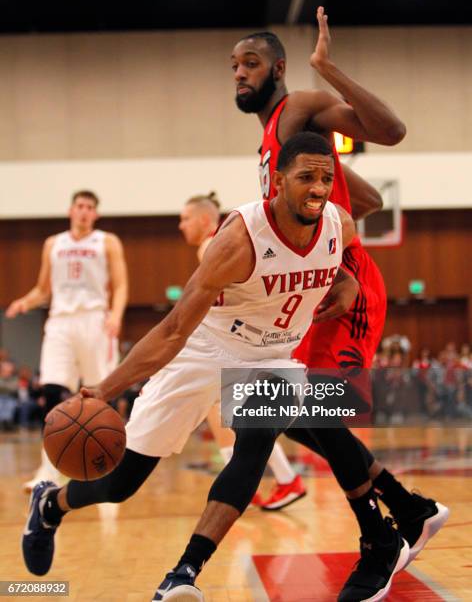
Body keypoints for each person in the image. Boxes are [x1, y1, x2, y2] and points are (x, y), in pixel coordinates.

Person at [22, 133, 366, 601]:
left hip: (271, 356)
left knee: (254, 445)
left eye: (327, 177)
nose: (319, 187)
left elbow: (337, 259)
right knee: (121, 483)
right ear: (278, 181)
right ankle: (51, 504)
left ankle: (184, 573)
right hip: (206, 349)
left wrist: (349, 284)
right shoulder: (237, 241)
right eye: (307, 176)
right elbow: (172, 331)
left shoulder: (338, 224)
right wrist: (104, 389)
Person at [228, 6, 449, 599]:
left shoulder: (298, 105)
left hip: (345, 294)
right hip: (313, 297)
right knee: (257, 408)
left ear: (277, 66)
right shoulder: (280, 144)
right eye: (233, 67)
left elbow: (394, 130)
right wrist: (335, 223)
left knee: (320, 410)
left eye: (249, 63)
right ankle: (410, 507)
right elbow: (367, 196)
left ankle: (381, 542)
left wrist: (327, 68)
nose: (239, 74)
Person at [180, 191, 306, 509]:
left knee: (226, 413)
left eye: (185, 218)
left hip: (237, 343)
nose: (181, 225)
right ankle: (280, 479)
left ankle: (264, 482)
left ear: (205, 220)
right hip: (250, 341)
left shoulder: (211, 247)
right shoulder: (221, 244)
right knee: (230, 415)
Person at [6, 190, 128, 490]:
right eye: (80, 206)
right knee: (51, 392)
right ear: (71, 210)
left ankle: (108, 463)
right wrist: (25, 301)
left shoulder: (107, 241)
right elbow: (43, 288)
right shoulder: (54, 243)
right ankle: (48, 470)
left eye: (90, 208)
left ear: (95, 214)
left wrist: (116, 315)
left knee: (101, 395)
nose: (84, 211)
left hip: (95, 319)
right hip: (60, 321)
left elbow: (121, 284)